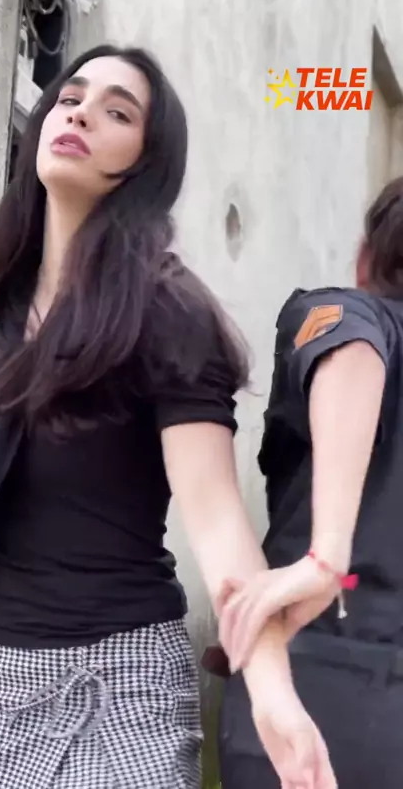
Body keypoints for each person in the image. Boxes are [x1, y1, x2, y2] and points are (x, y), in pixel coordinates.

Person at [0, 45, 334, 789]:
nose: (80, 113)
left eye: (117, 112)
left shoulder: (167, 311)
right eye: (70, 98)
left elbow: (218, 523)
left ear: (146, 162)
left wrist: (272, 691)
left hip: (121, 685)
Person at [218, 176, 403, 788]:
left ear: (365, 259)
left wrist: (326, 558)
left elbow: (350, 339)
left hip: (318, 681)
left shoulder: (349, 314)